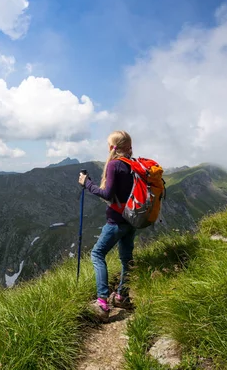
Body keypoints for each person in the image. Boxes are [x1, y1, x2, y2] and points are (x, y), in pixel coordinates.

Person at [78, 130, 136, 321]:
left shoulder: (114, 165)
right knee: (126, 258)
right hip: (132, 220)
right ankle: (121, 296)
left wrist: (87, 184)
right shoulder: (133, 164)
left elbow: (108, 194)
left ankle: (102, 302)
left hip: (116, 221)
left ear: (113, 147)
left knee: (97, 254)